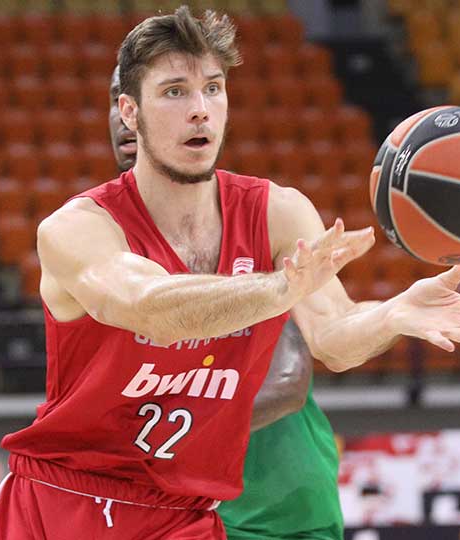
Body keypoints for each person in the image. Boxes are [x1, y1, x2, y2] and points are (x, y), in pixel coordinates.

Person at [0, 7, 460, 539]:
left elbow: (333, 338)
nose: (200, 111)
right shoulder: (78, 227)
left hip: (183, 512)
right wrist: (281, 287)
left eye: (212, 89)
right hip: (64, 501)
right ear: (129, 111)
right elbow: (148, 307)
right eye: (174, 92)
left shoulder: (277, 212)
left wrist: (394, 314)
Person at [108, 65, 344, 539]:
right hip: (173, 507)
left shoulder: (250, 222)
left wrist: (170, 433)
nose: (123, 115)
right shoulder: (100, 236)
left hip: (276, 507)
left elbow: (288, 382)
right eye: (117, 98)